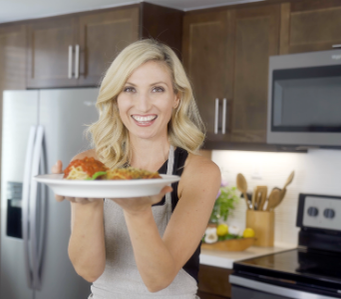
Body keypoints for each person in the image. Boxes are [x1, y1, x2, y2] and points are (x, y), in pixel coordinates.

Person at [51, 39, 221, 299]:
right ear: (116, 97)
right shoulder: (89, 164)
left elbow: (158, 279)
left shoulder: (199, 173)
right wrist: (87, 204)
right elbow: (88, 270)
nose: (142, 106)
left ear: (177, 97)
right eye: (130, 89)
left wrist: (138, 211)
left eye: (157, 89)